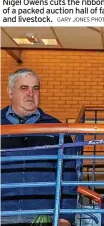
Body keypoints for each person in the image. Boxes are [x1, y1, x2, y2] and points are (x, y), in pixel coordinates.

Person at [1, 68, 77, 226]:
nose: (31, 93)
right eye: (24, 88)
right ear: (10, 92)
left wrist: (65, 219)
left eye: (35, 88)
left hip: (42, 218)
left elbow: (68, 177)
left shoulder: (57, 129)